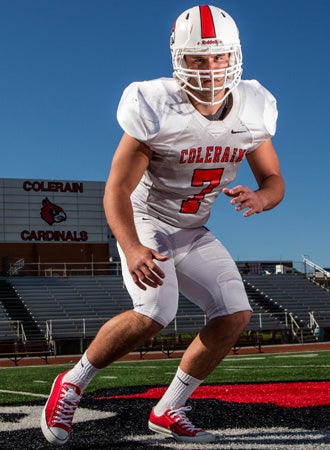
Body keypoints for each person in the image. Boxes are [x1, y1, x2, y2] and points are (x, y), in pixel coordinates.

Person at [41, 4, 285, 445]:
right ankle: (71, 383)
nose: (210, 69)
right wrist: (132, 246)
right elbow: (115, 190)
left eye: (218, 57)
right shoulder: (154, 106)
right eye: (197, 59)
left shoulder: (253, 106)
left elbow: (273, 179)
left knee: (235, 313)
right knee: (156, 310)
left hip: (193, 227)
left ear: (235, 56)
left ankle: (169, 408)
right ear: (179, 61)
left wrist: (262, 198)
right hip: (148, 219)